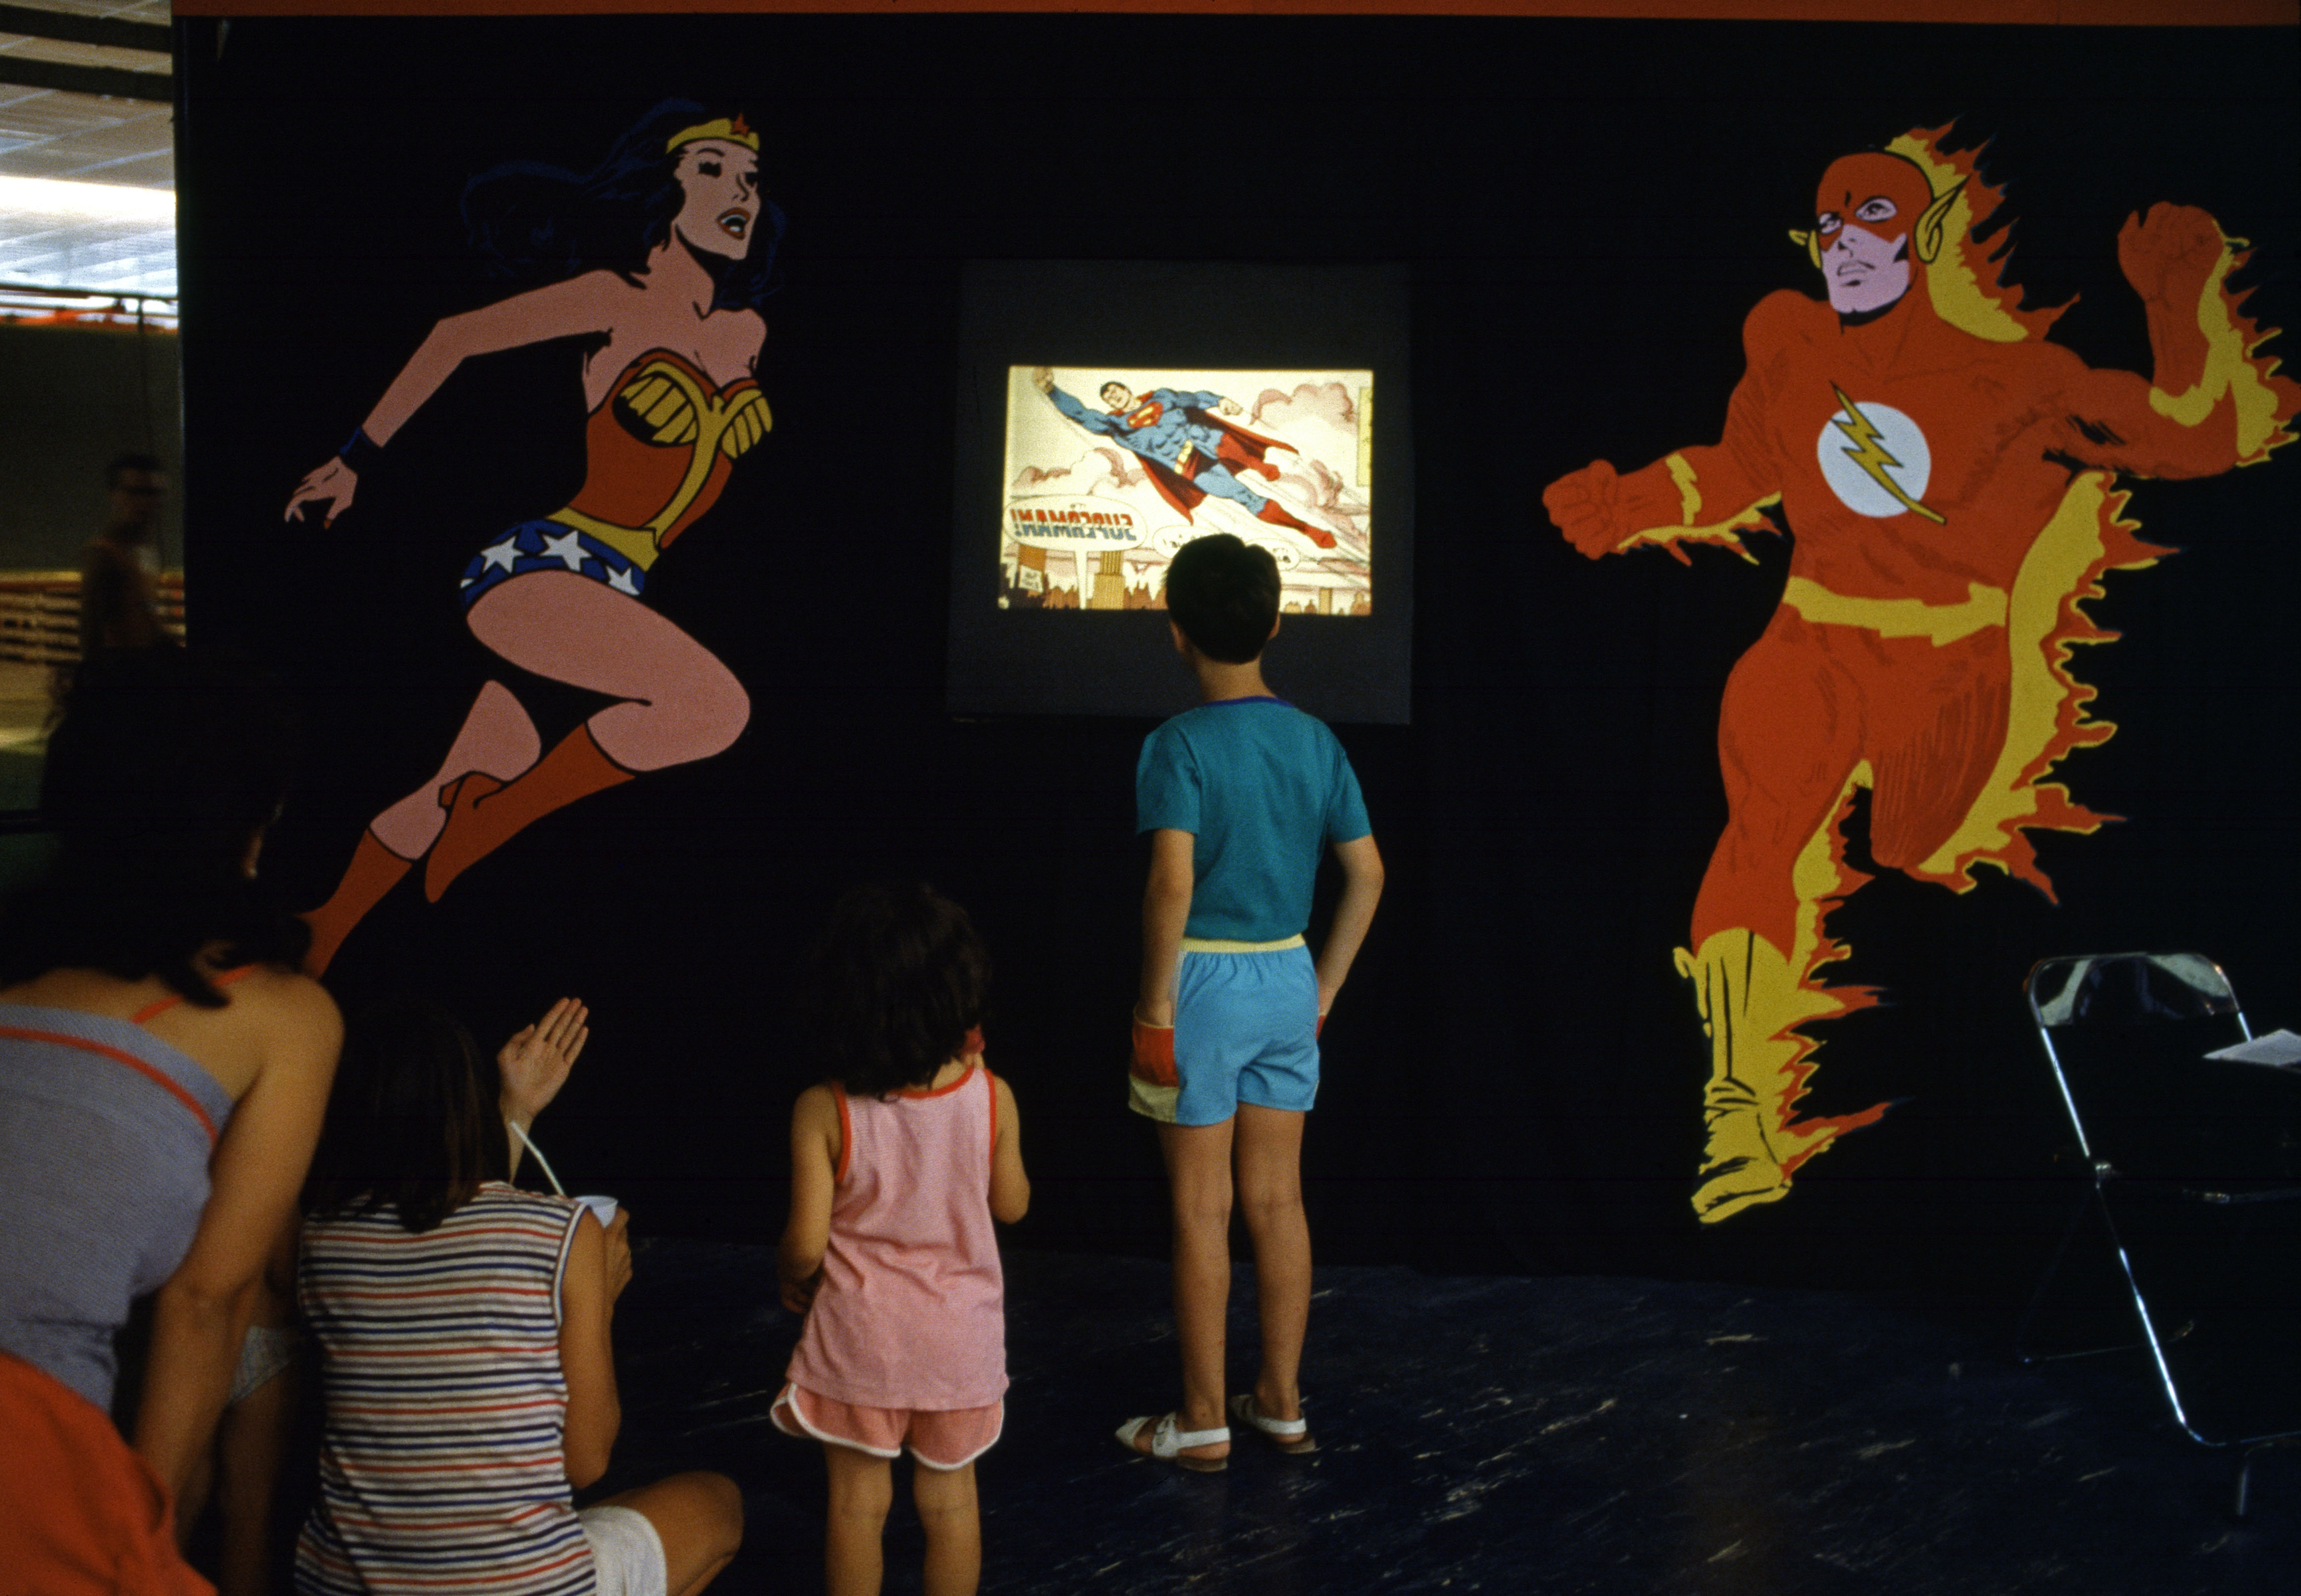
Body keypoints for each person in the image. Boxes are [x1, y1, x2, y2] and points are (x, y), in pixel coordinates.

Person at [1542, 127, 2299, 1223]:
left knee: (1907, 845)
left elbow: (2200, 441)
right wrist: (1632, 502)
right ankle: (1737, 1110)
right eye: (1830, 225)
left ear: (1929, 234)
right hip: (1811, 641)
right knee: (1759, 833)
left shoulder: (2022, 382)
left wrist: (2177, 311)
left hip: (1948, 673)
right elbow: (1743, 466)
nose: (1845, 244)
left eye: (1874, 220)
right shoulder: (1790, 341)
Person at [286, 100, 784, 976]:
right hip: (543, 569)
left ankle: (325, 928)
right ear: (660, 191)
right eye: (709, 169)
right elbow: (456, 338)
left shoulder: (747, 334)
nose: (739, 188)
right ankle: (492, 820)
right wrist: (353, 460)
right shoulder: (614, 300)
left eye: (747, 176)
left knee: (470, 770)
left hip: (615, 590)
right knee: (714, 706)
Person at [0, 647, 342, 1594]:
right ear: (248, 828)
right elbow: (208, 1301)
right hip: (23, 1442)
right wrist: (133, 1528)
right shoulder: (279, 1014)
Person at [296, 994, 744, 1596]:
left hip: (341, 1583)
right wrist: (600, 1300)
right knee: (718, 1504)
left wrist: (518, 1112)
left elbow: (445, 1241)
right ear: (467, 1102)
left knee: (629, 1506)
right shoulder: (560, 1230)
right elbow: (585, 1462)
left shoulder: (320, 1240)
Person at [1121, 532, 1384, 1469]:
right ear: (1275, 623)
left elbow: (1171, 886)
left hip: (1198, 983)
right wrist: (1323, 987)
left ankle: (1201, 1420)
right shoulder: (1316, 739)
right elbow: (1368, 873)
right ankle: (1280, 1402)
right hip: (1284, 977)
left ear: (1176, 630)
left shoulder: (1178, 743)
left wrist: (1154, 1011)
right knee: (1279, 1202)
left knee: (1201, 1210)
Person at [772, 884, 1028, 1596]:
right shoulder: (991, 1095)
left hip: (861, 1343)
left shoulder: (821, 1109)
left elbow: (803, 1243)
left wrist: (792, 1274)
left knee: (857, 1507)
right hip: (958, 1348)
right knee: (951, 1505)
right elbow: (1012, 1204)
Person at [1031, 367, 1338, 548]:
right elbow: (1081, 414)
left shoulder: (1161, 396)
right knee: (1246, 498)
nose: (1114, 397)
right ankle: (1307, 530)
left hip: (1208, 441)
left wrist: (1221, 401)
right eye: (1108, 397)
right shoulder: (1117, 426)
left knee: (1209, 434)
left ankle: (1257, 464)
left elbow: (1194, 399)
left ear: (1126, 389)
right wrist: (1052, 391)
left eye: (1116, 391)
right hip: (1190, 466)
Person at [79, 450, 173, 655]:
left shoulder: (147, 549)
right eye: (134, 492)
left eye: (153, 493)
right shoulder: (104, 554)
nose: (144, 502)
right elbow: (92, 629)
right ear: (114, 495)